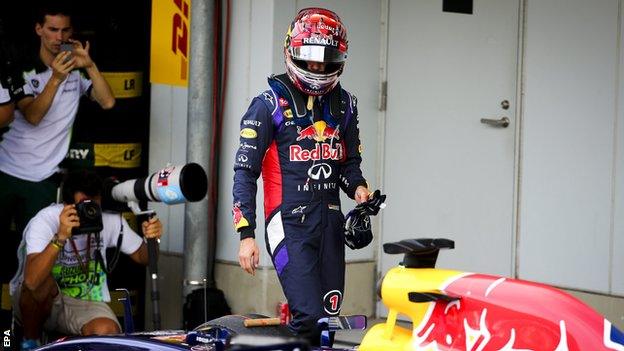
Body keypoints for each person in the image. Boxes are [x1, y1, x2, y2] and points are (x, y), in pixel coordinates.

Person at [232, 8, 370, 343]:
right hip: (288, 222)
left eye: (327, 59)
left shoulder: (346, 105)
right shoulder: (268, 105)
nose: (318, 68)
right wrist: (246, 234)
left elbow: (349, 166)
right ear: (293, 52)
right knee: (309, 315)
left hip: (330, 222)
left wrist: (360, 190)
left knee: (328, 319)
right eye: (310, 58)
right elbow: (245, 172)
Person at [0, 3, 115, 254]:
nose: (59, 37)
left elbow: (108, 102)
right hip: (6, 170)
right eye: (52, 29)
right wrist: (55, 79)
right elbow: (32, 116)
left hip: (44, 178)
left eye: (65, 30)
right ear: (39, 29)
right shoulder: (22, 67)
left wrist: (89, 65)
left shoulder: (76, 70)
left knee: (36, 253)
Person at [9, 170, 163, 350]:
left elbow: (145, 258)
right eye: (84, 206)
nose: (90, 211)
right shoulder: (46, 220)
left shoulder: (109, 219)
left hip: (84, 302)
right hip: (41, 300)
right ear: (67, 205)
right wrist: (60, 237)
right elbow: (32, 282)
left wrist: (152, 239)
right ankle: (30, 342)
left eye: (94, 205)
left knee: (108, 331)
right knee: (43, 282)